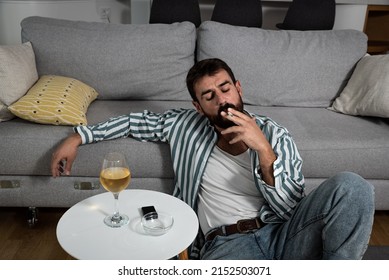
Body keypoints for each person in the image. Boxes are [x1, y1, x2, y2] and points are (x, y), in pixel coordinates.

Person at [51, 58, 374, 259]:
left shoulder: (274, 134)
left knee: (354, 186)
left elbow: (291, 208)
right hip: (228, 245)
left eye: (225, 88)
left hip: (284, 233)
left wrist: (263, 150)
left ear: (238, 87)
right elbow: (134, 121)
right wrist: (78, 136)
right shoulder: (183, 125)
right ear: (198, 106)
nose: (222, 100)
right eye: (210, 95)